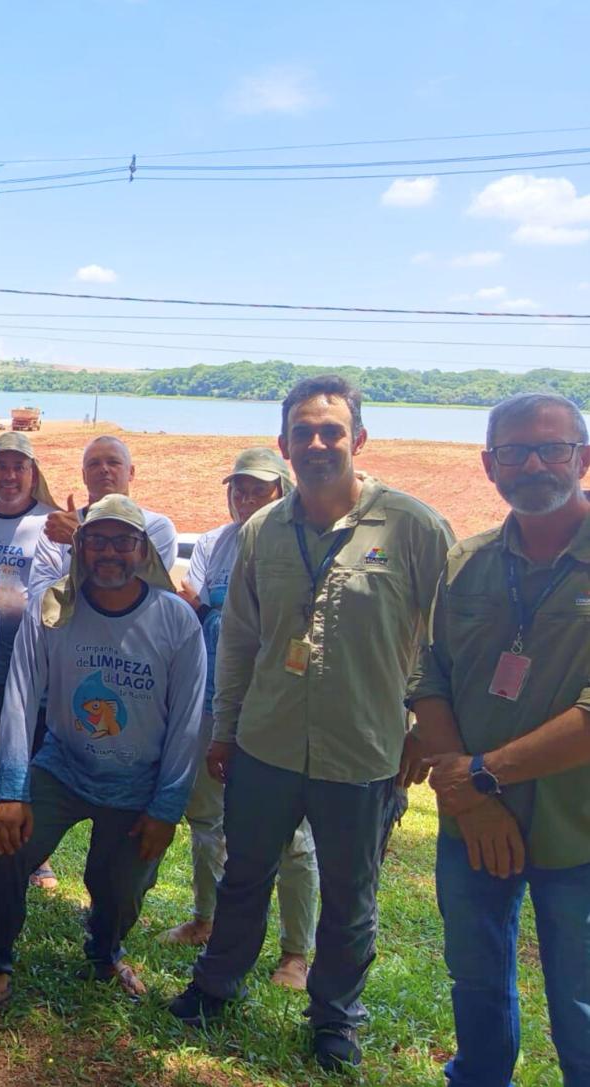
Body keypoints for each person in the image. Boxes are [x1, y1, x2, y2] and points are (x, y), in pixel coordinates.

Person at [168, 375, 454, 1073]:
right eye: (305, 432)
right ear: (285, 444)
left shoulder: (413, 527)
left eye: (332, 430)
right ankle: (216, 984)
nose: (319, 443)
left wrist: (425, 729)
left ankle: (335, 1019)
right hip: (265, 741)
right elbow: (238, 639)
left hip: (363, 749)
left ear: (358, 438)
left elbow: (451, 641)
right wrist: (224, 729)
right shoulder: (262, 531)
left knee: (351, 897)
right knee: (244, 874)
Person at [0, 496, 206, 1023]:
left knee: (121, 888)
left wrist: (166, 808)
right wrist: (13, 791)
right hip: (63, 765)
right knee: (3, 848)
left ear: (144, 551)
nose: (109, 553)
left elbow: (188, 722)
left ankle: (105, 952)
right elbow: (20, 697)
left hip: (137, 781)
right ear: (80, 547)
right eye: (97, 540)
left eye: (123, 542)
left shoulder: (176, 621)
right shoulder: (52, 609)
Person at [405, 392, 590, 1087]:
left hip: (580, 828)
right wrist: (472, 796)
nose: (534, 462)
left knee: (580, 1002)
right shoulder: (469, 562)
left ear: (585, 457)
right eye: (514, 451)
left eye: (553, 448)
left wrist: (481, 775)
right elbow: (431, 676)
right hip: (474, 824)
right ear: (489, 465)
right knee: (476, 982)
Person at [161, 446, 319, 992]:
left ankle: (296, 953)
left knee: (290, 836)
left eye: (258, 488)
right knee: (204, 814)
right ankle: (206, 918)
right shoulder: (213, 543)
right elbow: (195, 603)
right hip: (214, 699)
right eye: (239, 489)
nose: (246, 498)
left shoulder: (299, 545)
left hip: (277, 708)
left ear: (283, 490)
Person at [0, 433, 59, 861]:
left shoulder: (51, 521)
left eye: (19, 467)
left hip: (33, 664)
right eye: (1, 467)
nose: (10, 475)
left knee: (29, 759)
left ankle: (31, 851)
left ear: (33, 474)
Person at [28, 436, 178, 598]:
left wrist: (80, 539)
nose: (104, 469)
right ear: (84, 476)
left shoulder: (156, 527)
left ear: (131, 472)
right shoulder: (58, 527)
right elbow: (39, 594)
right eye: (94, 464)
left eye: (113, 462)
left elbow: (138, 590)